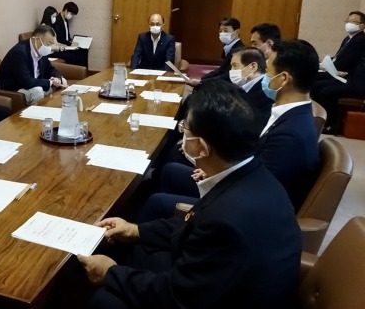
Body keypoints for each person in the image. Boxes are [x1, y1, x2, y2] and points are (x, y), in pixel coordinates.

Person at [78, 82, 301, 309]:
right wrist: (134, 230)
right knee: (132, 249)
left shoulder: (228, 219)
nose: (182, 134)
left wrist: (110, 273)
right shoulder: (250, 175)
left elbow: (176, 298)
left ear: (202, 147)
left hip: (211, 297)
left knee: (103, 301)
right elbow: (192, 225)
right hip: (212, 277)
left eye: (185, 129)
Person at [143, 39, 320, 219]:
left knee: (157, 202)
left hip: (243, 207)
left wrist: (219, 173)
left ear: (283, 79)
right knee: (170, 171)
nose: (264, 77)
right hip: (238, 180)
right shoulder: (291, 115)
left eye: (267, 71)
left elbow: (258, 188)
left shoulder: (290, 136)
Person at [0, 25, 65, 104]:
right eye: (48, 43)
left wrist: (57, 78)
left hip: (32, 84)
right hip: (14, 88)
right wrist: (51, 82)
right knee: (37, 91)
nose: (49, 47)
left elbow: (50, 69)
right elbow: (27, 82)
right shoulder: (19, 53)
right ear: (37, 39)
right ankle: (38, 112)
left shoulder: (40, 50)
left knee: (62, 81)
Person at [188, 16, 244, 86]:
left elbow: (227, 75)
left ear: (237, 32)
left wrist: (202, 82)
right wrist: (201, 79)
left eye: (226, 31)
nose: (222, 33)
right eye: (220, 31)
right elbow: (221, 70)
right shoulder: (227, 47)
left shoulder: (240, 50)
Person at [48, 1, 88, 67]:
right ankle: (77, 70)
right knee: (75, 55)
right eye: (71, 14)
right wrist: (70, 44)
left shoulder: (66, 21)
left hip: (67, 44)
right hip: (61, 46)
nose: (71, 16)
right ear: (66, 10)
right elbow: (60, 38)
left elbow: (67, 36)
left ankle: (83, 71)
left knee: (84, 51)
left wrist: (72, 42)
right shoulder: (57, 20)